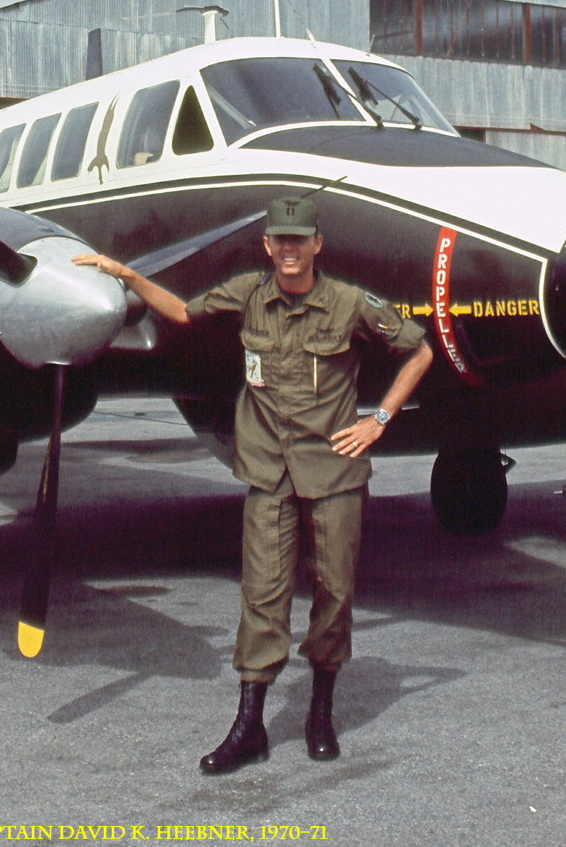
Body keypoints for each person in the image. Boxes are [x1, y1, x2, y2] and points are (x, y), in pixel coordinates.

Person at [74, 197, 432, 772]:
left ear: (316, 245)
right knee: (262, 596)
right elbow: (184, 314)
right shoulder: (247, 295)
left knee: (335, 595)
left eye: (300, 240)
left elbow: (419, 350)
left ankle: (319, 712)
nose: (289, 251)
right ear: (268, 247)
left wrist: (379, 420)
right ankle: (249, 727)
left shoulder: (347, 304)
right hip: (269, 471)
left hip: (334, 472)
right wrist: (130, 275)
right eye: (279, 241)